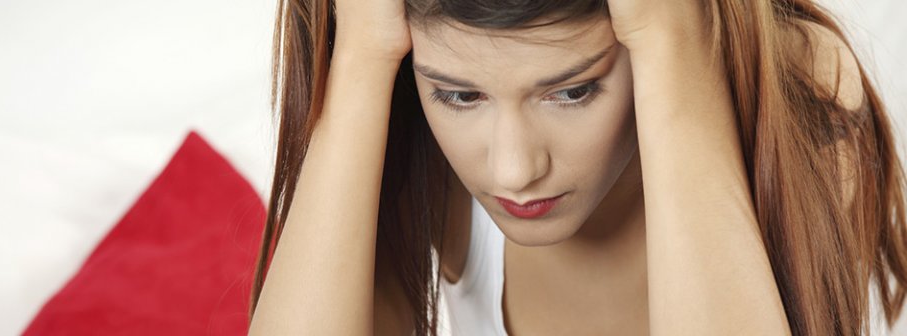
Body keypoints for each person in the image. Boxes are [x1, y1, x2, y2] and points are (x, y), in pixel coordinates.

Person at [247, 0, 907, 335]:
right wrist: (361, 57)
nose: (512, 172)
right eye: (460, 95)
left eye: (573, 91)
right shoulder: (408, 128)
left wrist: (672, 44)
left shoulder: (799, 89)